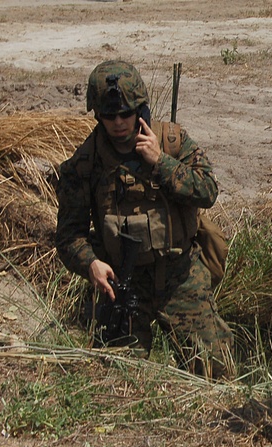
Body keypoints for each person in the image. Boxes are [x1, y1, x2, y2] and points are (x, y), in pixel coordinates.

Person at [55, 60, 233, 378]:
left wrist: (161, 163)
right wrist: (90, 264)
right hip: (123, 283)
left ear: (140, 107)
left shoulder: (173, 142)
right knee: (114, 380)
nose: (119, 122)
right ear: (97, 115)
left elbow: (207, 191)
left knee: (216, 374)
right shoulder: (84, 165)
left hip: (181, 274)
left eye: (126, 113)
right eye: (109, 116)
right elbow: (70, 237)